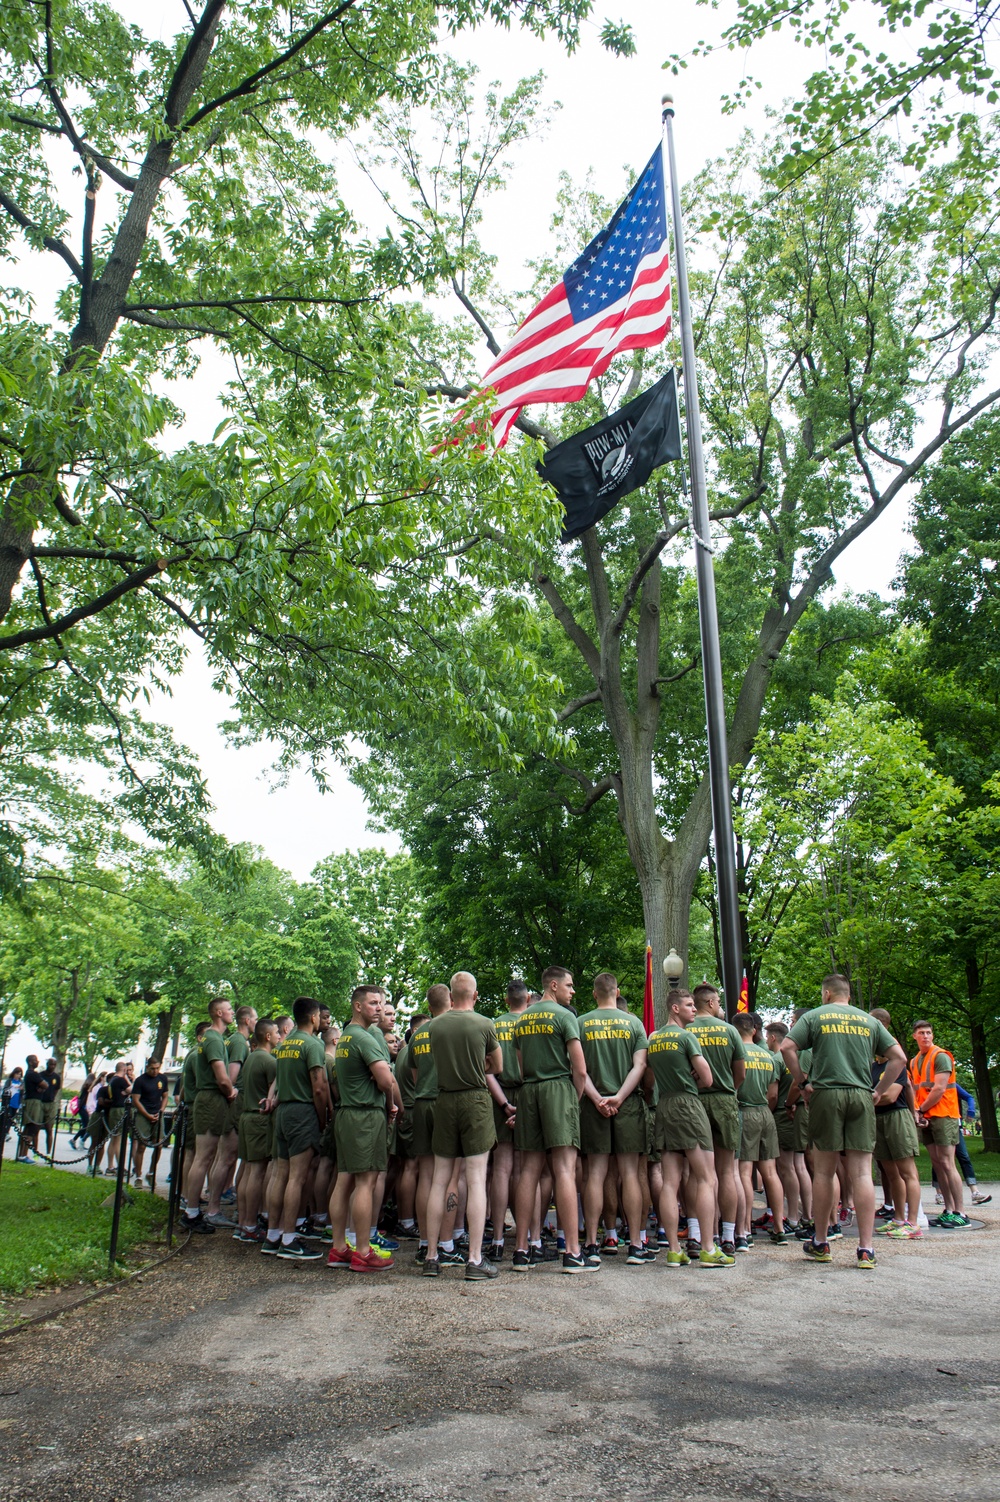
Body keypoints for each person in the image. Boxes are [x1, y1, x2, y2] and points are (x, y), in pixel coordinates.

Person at [782, 975, 905, 1268]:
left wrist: (802, 1082)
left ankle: (822, 1242)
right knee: (862, 1172)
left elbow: (787, 1048)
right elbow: (898, 1057)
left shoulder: (815, 1017)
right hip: (861, 1095)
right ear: (847, 994)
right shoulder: (869, 1021)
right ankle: (865, 1248)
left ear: (826, 993)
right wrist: (878, 1091)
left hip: (826, 1093)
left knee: (824, 1172)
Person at [512, 965, 603, 1275]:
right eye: (569, 984)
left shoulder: (522, 1018)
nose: (572, 990)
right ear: (553, 985)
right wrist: (573, 1099)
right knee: (564, 1169)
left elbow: (522, 1066)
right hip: (558, 1089)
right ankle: (573, 1253)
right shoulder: (565, 1017)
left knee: (529, 1171)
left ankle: (522, 1250)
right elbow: (580, 1070)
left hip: (530, 1092)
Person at [422, 971, 502, 1281]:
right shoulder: (484, 1023)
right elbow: (498, 1066)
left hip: (444, 1100)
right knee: (476, 1178)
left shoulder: (435, 1025)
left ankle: (431, 1256)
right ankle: (474, 1259)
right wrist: (478, 1066)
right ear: (476, 995)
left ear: (451, 996)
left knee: (440, 1179)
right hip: (475, 1101)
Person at [646, 988, 729, 1268]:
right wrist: (694, 1075)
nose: (695, 1009)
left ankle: (673, 1249)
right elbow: (707, 1079)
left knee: (670, 1182)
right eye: (689, 1005)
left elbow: (649, 1079)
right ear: (674, 1009)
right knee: (706, 1178)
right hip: (688, 1106)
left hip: (664, 1106)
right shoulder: (687, 1037)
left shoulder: (653, 1039)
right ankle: (707, 1247)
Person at [577, 972, 652, 1266]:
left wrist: (597, 1099)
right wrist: (620, 1097)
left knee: (595, 1173)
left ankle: (593, 1244)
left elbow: (579, 1070)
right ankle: (635, 1244)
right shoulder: (634, 1023)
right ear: (616, 991)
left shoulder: (581, 1023)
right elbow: (640, 1065)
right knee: (631, 1173)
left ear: (595, 994)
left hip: (593, 1104)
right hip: (628, 1105)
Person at [328, 985, 401, 1273]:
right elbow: (385, 1080)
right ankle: (362, 1251)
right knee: (365, 1183)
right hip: (365, 1116)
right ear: (357, 1006)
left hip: (347, 1114)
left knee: (344, 1180)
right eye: (373, 1003)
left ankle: (338, 1247)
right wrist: (391, 1105)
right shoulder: (365, 1038)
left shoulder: (345, 1037)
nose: (379, 1009)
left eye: (381, 1004)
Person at [261, 996, 329, 1261]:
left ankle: (273, 1234)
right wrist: (323, 1118)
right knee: (297, 1178)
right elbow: (319, 1087)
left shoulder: (285, 1043)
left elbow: (278, 1081)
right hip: (302, 1112)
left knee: (279, 1174)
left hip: (283, 1112)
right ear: (313, 1018)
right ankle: (290, 1239)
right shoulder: (312, 1045)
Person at [686, 984, 747, 1259]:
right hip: (723, 1100)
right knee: (726, 1172)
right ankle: (729, 1235)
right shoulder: (730, 1030)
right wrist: (728, 1090)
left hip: (693, 1101)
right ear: (710, 1003)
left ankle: (697, 1234)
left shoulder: (685, 1030)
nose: (720, 1005)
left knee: (695, 1173)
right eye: (718, 1000)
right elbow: (740, 1073)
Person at [182, 997, 240, 1233]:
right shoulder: (214, 1039)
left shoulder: (212, 1038)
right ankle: (192, 1212)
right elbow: (221, 1076)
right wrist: (231, 1091)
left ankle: (193, 1209)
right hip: (211, 1099)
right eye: (228, 1009)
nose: (232, 1012)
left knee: (203, 1157)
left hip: (210, 1099)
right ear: (218, 1013)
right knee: (203, 1158)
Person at [867, 1007, 923, 1239]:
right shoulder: (874, 1065)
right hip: (878, 1119)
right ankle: (898, 1218)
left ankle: (913, 1223)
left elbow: (890, 1095)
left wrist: (864, 1100)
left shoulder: (895, 1061)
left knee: (907, 1171)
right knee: (891, 1172)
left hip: (896, 1117)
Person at [908, 1020, 969, 1229]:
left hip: (944, 1114)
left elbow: (939, 1088)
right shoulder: (915, 1061)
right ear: (914, 1036)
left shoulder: (941, 1056)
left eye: (928, 1032)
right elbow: (916, 1090)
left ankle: (961, 1212)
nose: (926, 1036)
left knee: (947, 1162)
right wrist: (920, 1112)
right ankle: (949, 1209)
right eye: (921, 1033)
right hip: (928, 1116)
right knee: (937, 1163)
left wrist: (920, 1109)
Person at [733, 1013, 786, 1249]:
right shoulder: (769, 1056)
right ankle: (780, 1228)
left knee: (744, 1172)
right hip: (766, 1112)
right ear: (753, 1030)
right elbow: (773, 1094)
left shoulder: (737, 1054)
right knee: (770, 1172)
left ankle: (745, 1229)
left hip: (745, 1112)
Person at [486, 980, 529, 1261]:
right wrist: (522, 1107)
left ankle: (498, 1238)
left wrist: (504, 1105)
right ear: (527, 999)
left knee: (501, 1168)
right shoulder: (533, 1023)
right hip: (528, 1096)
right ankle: (528, 1238)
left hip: (498, 1097)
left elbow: (487, 1071)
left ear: (506, 1000)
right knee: (526, 1170)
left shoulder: (492, 1025)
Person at [410, 984, 453, 1262]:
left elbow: (414, 1074)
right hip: (444, 1102)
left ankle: (425, 1242)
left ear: (428, 1007)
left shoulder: (417, 1036)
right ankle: (446, 1243)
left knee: (425, 1175)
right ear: (449, 1001)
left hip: (421, 1102)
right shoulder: (451, 1027)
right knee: (449, 1175)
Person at [234, 1018, 278, 1242]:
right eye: (277, 1033)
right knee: (257, 1173)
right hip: (260, 1119)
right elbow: (274, 1091)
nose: (280, 1036)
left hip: (246, 1117)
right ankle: (251, 1224)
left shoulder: (250, 1058)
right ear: (268, 1037)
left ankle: (242, 1223)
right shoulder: (269, 1061)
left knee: (248, 1170)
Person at [131, 1057, 169, 1185]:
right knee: (141, 1145)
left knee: (158, 1144)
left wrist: (161, 1110)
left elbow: (165, 1096)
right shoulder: (140, 1081)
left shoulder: (162, 1079)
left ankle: (151, 1172)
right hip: (143, 1114)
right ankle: (138, 1176)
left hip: (157, 1114)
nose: (155, 1071)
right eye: (152, 1068)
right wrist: (147, 1115)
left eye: (157, 1068)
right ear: (147, 1067)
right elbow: (135, 1100)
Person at [104, 1061, 134, 1177]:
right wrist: (127, 1079)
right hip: (119, 1110)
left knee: (114, 1138)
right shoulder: (120, 1080)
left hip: (113, 1109)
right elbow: (132, 1089)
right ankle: (119, 1167)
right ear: (124, 1069)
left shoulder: (112, 1080)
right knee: (118, 1138)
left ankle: (110, 1166)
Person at [19, 1054, 43, 1161]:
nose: (37, 1062)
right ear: (30, 1062)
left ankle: (22, 1154)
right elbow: (45, 1085)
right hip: (33, 1103)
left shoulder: (29, 1074)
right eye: (35, 1060)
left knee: (28, 1129)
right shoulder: (32, 1074)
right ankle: (23, 1154)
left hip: (31, 1101)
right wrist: (41, 1087)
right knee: (30, 1128)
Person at [39, 1059, 62, 1158]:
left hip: (50, 1104)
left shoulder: (56, 1077)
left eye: (54, 1064)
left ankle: (48, 1153)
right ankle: (35, 1151)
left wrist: (52, 1097)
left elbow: (57, 1088)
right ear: (47, 1064)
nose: (52, 1066)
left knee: (49, 1129)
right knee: (36, 1128)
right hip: (40, 1102)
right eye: (50, 1064)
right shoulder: (40, 1075)